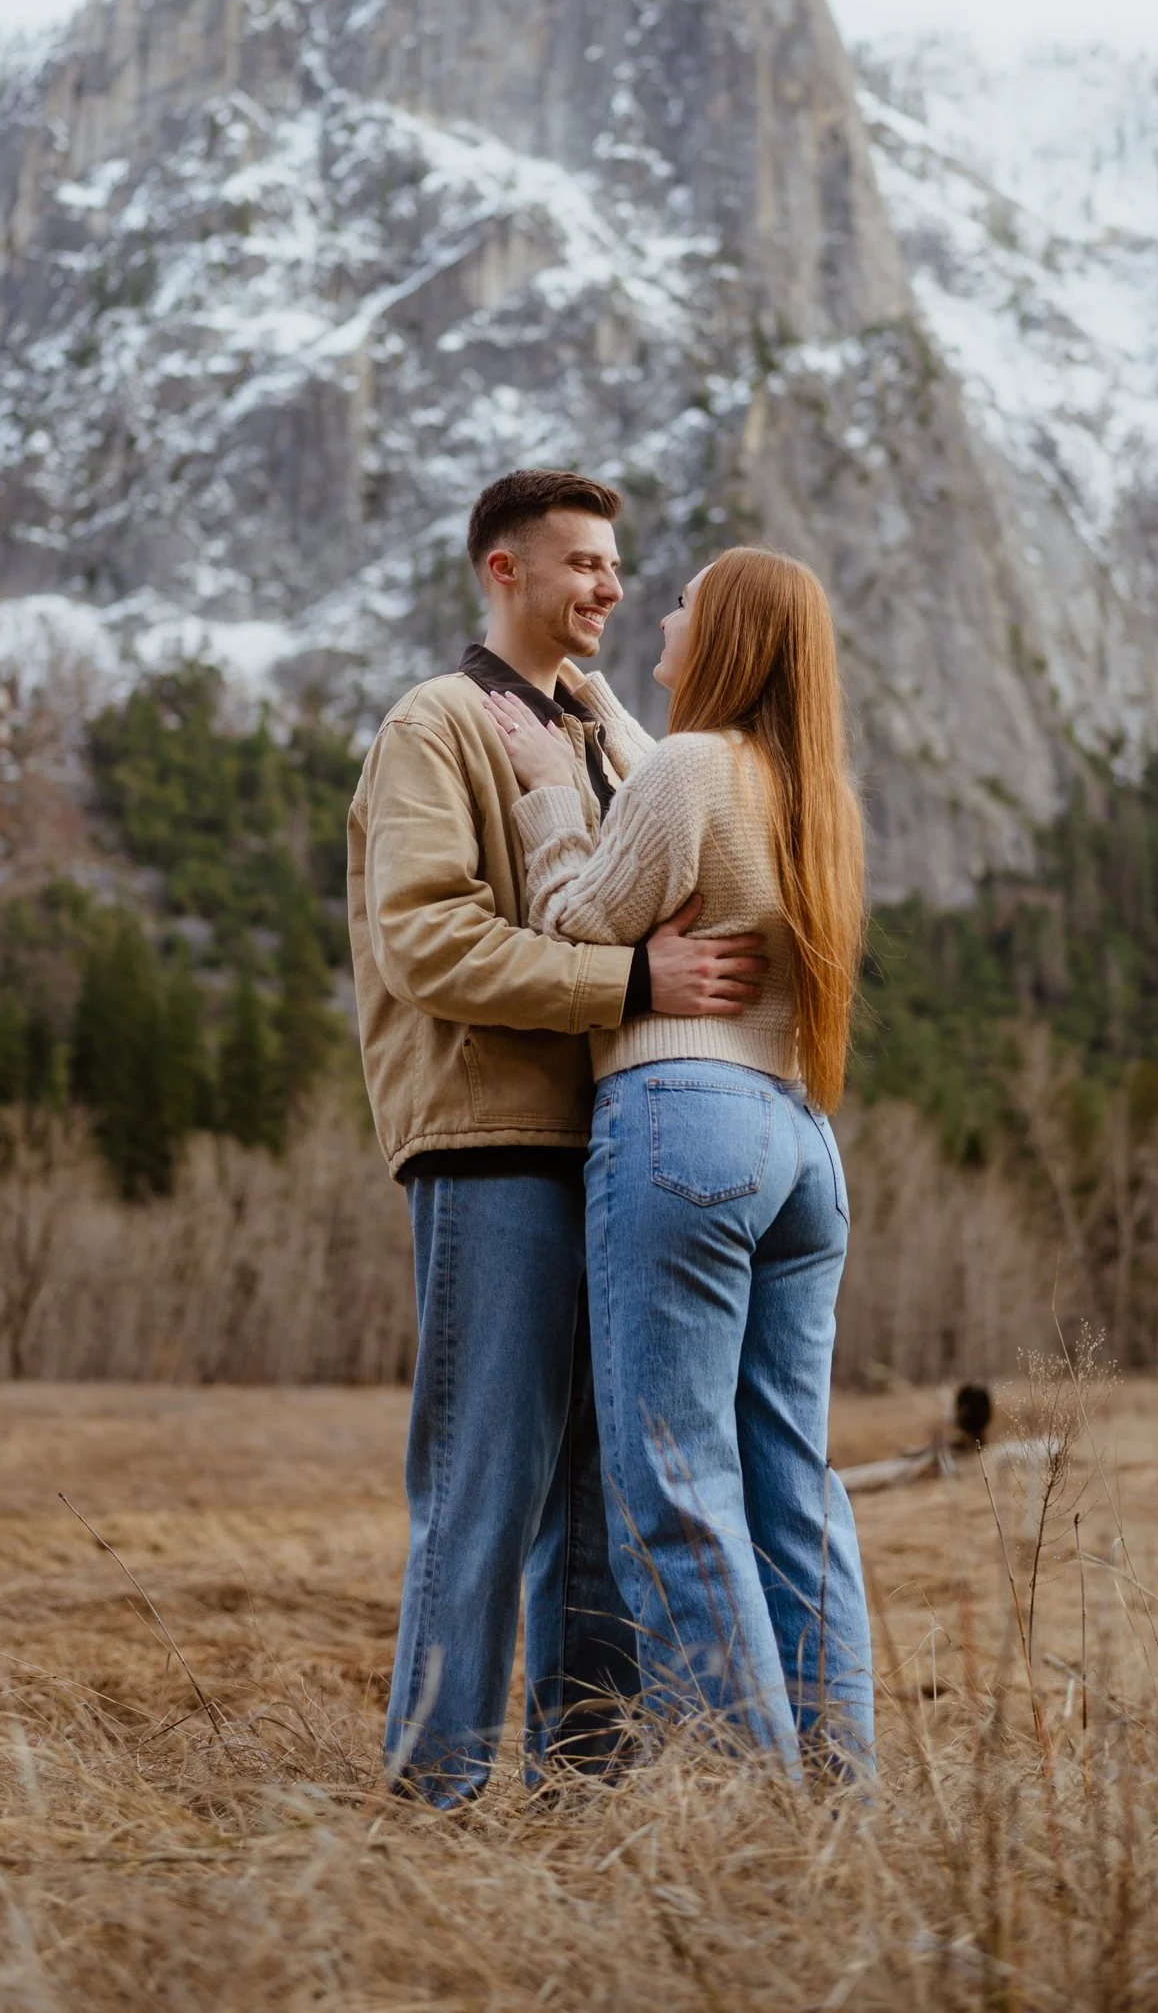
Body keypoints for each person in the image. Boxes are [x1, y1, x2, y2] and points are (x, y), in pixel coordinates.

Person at [347, 471, 768, 1806]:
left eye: (615, 564)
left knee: (594, 1495)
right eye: (579, 562)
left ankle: (580, 1788)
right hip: (490, 1148)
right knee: (485, 1481)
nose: (607, 586)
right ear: (502, 572)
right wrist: (630, 985)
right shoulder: (433, 726)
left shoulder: (612, 729)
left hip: (613, 1154)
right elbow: (424, 943)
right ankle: (435, 1795)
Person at [484, 546, 875, 1772]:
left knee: (673, 1480)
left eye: (685, 605)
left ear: (726, 641)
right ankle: (832, 1800)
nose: (656, 613)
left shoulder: (694, 770)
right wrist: (596, 712)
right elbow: (671, 801)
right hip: (798, 1142)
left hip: (680, 1122)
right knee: (789, 1489)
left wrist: (551, 791)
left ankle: (754, 1815)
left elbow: (572, 923)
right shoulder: (805, 793)